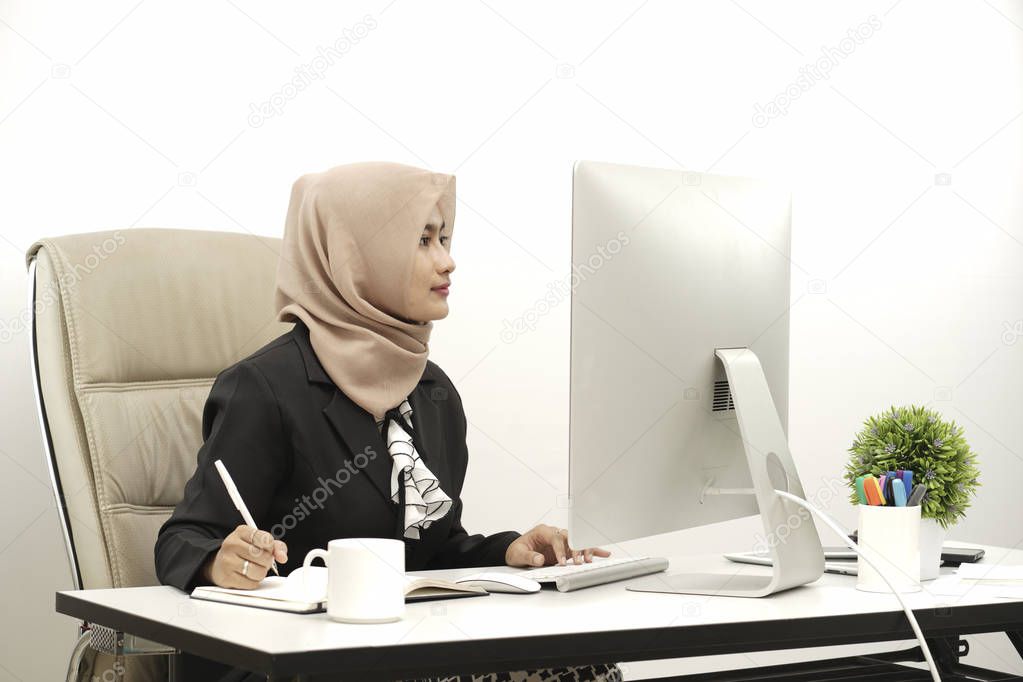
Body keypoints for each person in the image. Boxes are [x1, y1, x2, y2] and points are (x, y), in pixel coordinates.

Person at [154, 161, 623, 682]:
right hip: (293, 663)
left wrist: (507, 550)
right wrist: (220, 559)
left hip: (400, 649)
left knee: (583, 665)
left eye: (443, 237)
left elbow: (430, 549)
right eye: (422, 241)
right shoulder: (264, 388)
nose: (448, 262)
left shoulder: (433, 391)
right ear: (362, 257)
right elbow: (182, 538)